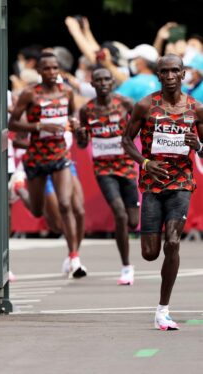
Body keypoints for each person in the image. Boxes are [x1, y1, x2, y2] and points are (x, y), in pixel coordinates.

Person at [122, 54, 203, 330]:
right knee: (149, 253)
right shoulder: (145, 106)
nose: (169, 76)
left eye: (174, 71)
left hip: (181, 182)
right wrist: (145, 162)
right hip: (152, 183)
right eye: (164, 72)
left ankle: (163, 310)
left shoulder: (196, 108)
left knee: (172, 242)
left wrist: (199, 145)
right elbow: (126, 141)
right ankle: (161, 304)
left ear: (183, 74)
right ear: (158, 75)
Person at [9, 52, 86, 278]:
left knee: (66, 204)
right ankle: (19, 188)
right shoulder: (30, 94)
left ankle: (74, 259)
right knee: (36, 210)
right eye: (47, 69)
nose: (52, 73)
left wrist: (73, 122)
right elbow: (13, 122)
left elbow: (71, 115)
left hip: (59, 155)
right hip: (36, 158)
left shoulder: (67, 92)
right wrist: (39, 126)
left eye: (55, 68)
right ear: (40, 71)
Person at [77, 67, 138, 285]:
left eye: (106, 79)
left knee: (132, 221)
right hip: (104, 170)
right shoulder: (87, 110)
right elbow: (83, 143)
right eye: (98, 80)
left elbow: (141, 126)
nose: (103, 83)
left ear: (113, 82)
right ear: (92, 84)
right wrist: (81, 135)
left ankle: (134, 216)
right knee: (120, 215)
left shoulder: (126, 103)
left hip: (127, 167)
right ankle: (126, 266)